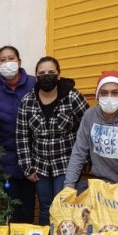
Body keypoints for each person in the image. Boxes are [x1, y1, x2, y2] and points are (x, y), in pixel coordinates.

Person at [16, 57, 88, 225]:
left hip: (66, 164)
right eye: (41, 73)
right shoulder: (27, 101)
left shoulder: (72, 97)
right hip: (40, 166)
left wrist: (85, 159)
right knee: (45, 206)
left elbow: (87, 127)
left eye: (51, 73)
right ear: (36, 76)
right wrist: (27, 167)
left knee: (63, 204)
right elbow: (22, 135)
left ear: (58, 74)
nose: (46, 76)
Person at [0, 46, 37, 224]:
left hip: (32, 158)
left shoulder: (35, 84)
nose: (7, 63)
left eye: (10, 58)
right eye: (2, 60)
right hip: (4, 159)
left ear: (19, 61)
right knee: (8, 208)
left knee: (28, 206)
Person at [64, 70, 118, 190]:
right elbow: (79, 152)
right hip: (100, 182)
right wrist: (68, 186)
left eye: (115, 93)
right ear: (97, 95)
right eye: (104, 93)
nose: (109, 97)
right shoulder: (90, 115)